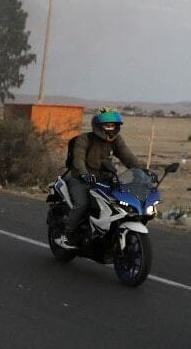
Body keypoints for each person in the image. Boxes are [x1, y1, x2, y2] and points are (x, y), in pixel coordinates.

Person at [55, 107, 141, 249]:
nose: (110, 128)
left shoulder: (116, 140)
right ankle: (67, 234)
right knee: (82, 204)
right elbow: (78, 159)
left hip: (103, 178)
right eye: (107, 125)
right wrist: (84, 174)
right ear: (98, 126)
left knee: (117, 201)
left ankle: (107, 232)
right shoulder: (85, 139)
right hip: (79, 177)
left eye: (113, 125)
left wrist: (142, 171)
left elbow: (128, 156)